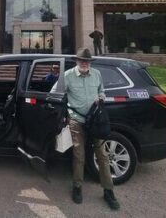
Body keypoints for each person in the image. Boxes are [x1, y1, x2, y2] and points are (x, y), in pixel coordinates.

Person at [51, 47, 120, 209]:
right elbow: (55, 93)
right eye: (82, 60)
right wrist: (65, 111)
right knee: (79, 155)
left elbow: (101, 91)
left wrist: (101, 97)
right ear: (76, 61)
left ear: (90, 62)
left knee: (103, 155)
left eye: (87, 61)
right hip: (77, 120)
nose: (84, 63)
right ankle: (77, 187)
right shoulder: (67, 76)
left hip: (96, 120)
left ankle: (108, 191)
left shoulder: (96, 74)